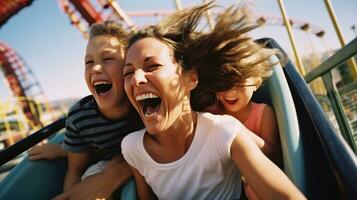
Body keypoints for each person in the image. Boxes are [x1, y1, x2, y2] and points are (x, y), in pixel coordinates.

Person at [121, 2, 306, 200]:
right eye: (128, 72)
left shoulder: (223, 133)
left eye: (152, 66)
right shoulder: (132, 148)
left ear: (190, 79)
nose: (135, 79)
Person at [29, 20, 144, 200]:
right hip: (100, 164)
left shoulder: (144, 104)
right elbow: (76, 170)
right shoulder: (79, 117)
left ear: (128, 67)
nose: (96, 68)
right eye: (88, 62)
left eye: (107, 58)